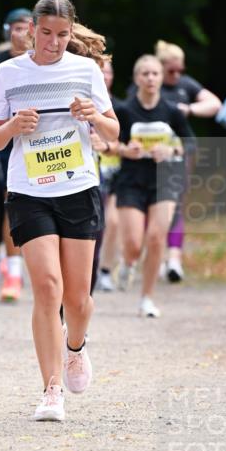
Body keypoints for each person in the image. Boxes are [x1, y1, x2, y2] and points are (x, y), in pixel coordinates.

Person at [0, 0, 119, 422]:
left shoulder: (86, 70)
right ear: (30, 30)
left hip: (77, 188)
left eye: (62, 35)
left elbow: (114, 133)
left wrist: (93, 115)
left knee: (78, 299)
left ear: (71, 32)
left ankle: (75, 347)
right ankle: (51, 388)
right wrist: (12, 126)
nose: (54, 43)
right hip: (29, 190)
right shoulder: (7, 73)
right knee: (47, 287)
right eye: (46, 34)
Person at [114, 55, 193, 318]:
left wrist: (170, 149)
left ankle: (146, 298)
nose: (150, 78)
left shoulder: (172, 112)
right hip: (131, 181)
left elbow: (189, 143)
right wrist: (127, 150)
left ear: (161, 78)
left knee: (157, 238)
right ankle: (127, 262)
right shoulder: (125, 111)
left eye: (155, 74)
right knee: (134, 243)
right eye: (145, 74)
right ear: (136, 78)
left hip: (163, 179)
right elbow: (110, 145)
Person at [153, 40, 220, 282]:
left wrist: (190, 109)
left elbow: (215, 104)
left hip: (182, 149)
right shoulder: (150, 83)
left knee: (176, 203)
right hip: (154, 153)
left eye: (180, 70)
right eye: (172, 70)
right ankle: (157, 258)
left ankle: (174, 260)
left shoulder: (186, 85)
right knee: (155, 205)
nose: (177, 75)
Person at [0, 8, 33, 299]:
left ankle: (16, 263)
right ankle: (12, 271)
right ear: (7, 31)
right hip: (7, 139)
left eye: (25, 27)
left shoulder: (48, 62)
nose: (20, 33)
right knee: (7, 198)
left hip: (43, 142)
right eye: (15, 28)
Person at [91, 56, 124, 292]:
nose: (105, 76)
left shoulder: (121, 108)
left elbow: (131, 143)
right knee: (98, 224)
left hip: (117, 172)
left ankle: (105, 270)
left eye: (109, 72)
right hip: (92, 172)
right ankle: (96, 268)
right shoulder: (80, 102)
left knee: (112, 222)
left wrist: (109, 147)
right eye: (100, 72)